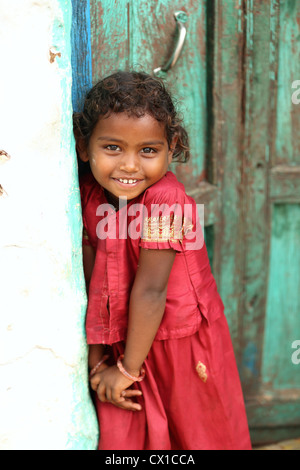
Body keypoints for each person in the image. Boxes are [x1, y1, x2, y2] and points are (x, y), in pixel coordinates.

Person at [73, 71, 252, 450]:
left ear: (171, 147)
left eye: (148, 151)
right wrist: (98, 364)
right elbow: (90, 286)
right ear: (84, 145)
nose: (129, 166)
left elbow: (153, 291)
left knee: (197, 434)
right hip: (123, 337)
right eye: (113, 148)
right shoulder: (88, 194)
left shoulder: (165, 200)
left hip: (179, 343)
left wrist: (125, 372)